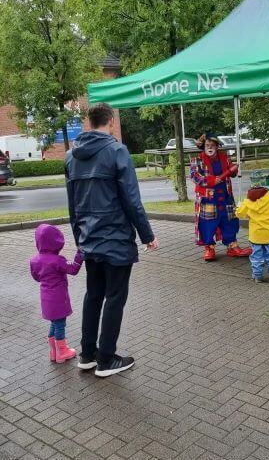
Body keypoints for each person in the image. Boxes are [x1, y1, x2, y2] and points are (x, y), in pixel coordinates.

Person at [65, 103, 158, 378]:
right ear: (111, 122)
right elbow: (132, 199)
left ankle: (87, 354)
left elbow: (72, 207)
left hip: (89, 239)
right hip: (115, 238)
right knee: (115, 297)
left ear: (89, 122)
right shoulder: (117, 151)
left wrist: (80, 239)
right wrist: (147, 235)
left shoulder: (71, 157)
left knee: (93, 295)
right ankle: (106, 359)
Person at [190, 133, 252, 261]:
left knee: (229, 221)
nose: (210, 147)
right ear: (203, 146)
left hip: (225, 196)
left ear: (217, 146)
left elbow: (231, 173)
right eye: (207, 145)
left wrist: (233, 170)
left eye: (213, 145)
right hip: (208, 198)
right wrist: (212, 180)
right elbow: (195, 176)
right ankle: (209, 248)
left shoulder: (225, 158)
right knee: (207, 223)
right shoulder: (197, 160)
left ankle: (232, 247)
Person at [30, 224, 83, 363]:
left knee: (54, 323)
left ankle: (54, 352)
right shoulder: (58, 260)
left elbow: (36, 277)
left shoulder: (34, 260)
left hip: (45, 298)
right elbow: (73, 269)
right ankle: (62, 352)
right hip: (59, 298)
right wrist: (80, 254)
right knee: (60, 324)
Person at [236, 184, 269, 283]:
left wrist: (240, 207)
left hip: (255, 235)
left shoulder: (248, 202)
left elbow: (239, 213)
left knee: (256, 256)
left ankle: (257, 276)